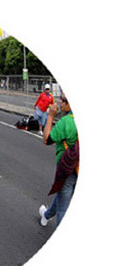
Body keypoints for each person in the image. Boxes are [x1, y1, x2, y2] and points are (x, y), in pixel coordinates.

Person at [39, 90, 78, 228]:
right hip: (78, 168)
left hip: (67, 169)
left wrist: (50, 116)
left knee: (63, 210)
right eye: (61, 99)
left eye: (65, 101)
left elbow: (46, 139)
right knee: (62, 196)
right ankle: (46, 215)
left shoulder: (67, 122)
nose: (61, 103)